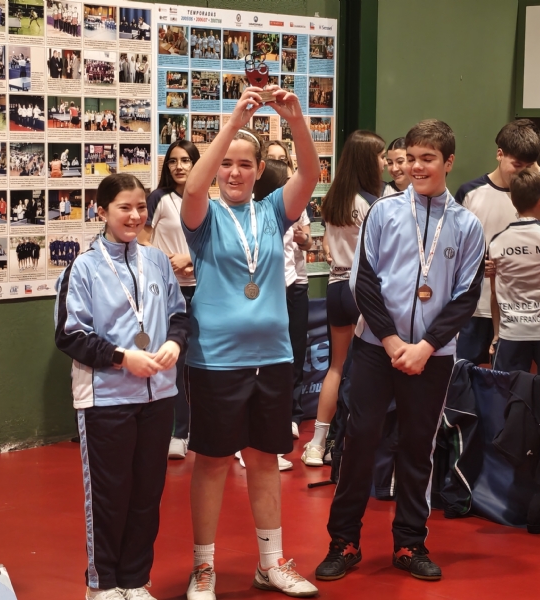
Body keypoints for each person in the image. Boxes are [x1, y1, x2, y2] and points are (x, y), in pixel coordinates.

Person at [314, 119, 484, 583]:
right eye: (410, 158)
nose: (416, 166)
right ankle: (343, 541)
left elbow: (466, 296)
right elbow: (364, 282)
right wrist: (391, 341)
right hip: (376, 348)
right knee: (359, 441)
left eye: (427, 158)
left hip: (432, 355)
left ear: (448, 162)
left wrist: (425, 347)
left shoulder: (467, 224)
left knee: (417, 448)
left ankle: (410, 542)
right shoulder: (383, 213)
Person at [181, 84, 320, 599]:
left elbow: (309, 173)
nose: (234, 172)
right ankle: (203, 567)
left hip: (273, 357)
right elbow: (193, 188)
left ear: (259, 171)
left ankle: (270, 562)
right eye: (227, 164)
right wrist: (233, 123)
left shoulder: (272, 213)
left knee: (264, 459)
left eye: (245, 164)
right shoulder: (204, 217)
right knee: (214, 462)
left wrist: (295, 117)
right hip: (217, 359)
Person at [54, 173, 189, 600]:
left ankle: (134, 578)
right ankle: (103, 583)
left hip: (158, 395)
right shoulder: (84, 267)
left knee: (148, 493)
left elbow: (180, 314)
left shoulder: (156, 261)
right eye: (124, 208)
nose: (135, 216)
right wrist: (121, 357)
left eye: (141, 207)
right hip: (106, 399)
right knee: (110, 497)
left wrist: (173, 342)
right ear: (102, 211)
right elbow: (70, 335)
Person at [302, 130, 385, 468]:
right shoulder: (372, 204)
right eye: (381, 157)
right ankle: (352, 444)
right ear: (368, 160)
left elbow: (328, 244)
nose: (385, 163)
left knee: (336, 367)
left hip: (335, 287)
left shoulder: (335, 196)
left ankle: (317, 443)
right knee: (366, 370)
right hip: (360, 288)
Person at [455, 120, 540, 365]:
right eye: (517, 164)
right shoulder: (470, 193)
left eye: (529, 166)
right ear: (499, 155)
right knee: (466, 377)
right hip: (476, 307)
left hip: (533, 318)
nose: (524, 172)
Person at [139, 140, 200, 461]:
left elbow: (209, 244)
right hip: (166, 292)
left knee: (198, 363)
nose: (179, 166)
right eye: (174, 161)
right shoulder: (158, 199)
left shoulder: (205, 199)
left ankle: (195, 430)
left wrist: (189, 258)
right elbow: (143, 241)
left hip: (201, 289)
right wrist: (168, 261)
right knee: (170, 362)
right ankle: (177, 432)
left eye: (186, 160)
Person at [263, 143, 312, 440]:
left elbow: (306, 241)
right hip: (263, 293)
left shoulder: (297, 205)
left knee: (292, 353)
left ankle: (290, 415)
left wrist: (302, 238)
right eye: (273, 161)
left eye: (284, 160)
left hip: (292, 286)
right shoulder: (254, 210)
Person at [488, 169, 540, 375]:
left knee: (508, 396)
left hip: (511, 333)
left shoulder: (497, 241)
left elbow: (494, 294)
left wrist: (496, 334)